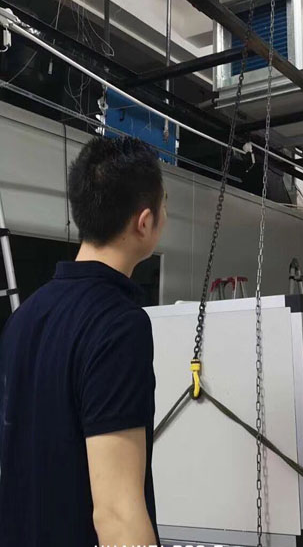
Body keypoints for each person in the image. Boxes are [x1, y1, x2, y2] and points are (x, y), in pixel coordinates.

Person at [0, 136, 167, 547]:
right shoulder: (119, 325)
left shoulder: (23, 319)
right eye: (164, 206)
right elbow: (117, 514)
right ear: (144, 222)